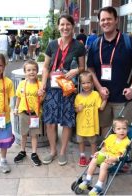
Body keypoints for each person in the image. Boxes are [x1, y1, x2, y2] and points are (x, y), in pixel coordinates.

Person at [87, 6, 132, 135]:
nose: (105, 22)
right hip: (103, 99)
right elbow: (90, 69)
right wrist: (99, 88)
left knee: (122, 135)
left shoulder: (129, 41)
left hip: (124, 98)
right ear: (99, 22)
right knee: (105, 133)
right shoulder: (95, 44)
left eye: (109, 19)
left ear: (116, 20)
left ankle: (123, 156)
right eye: (103, 20)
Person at [38, 14, 85, 166]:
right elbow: (45, 66)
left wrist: (76, 71)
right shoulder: (52, 45)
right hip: (52, 89)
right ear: (58, 27)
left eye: (68, 24)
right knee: (50, 122)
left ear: (73, 26)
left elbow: (83, 66)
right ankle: (53, 151)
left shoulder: (78, 46)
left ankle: (63, 151)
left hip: (67, 89)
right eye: (62, 24)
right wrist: (43, 84)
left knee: (66, 121)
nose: (65, 27)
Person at [78, 117, 130, 195]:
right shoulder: (111, 137)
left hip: (114, 160)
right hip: (105, 155)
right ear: (114, 130)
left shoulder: (126, 142)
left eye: (124, 128)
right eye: (119, 129)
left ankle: (99, 186)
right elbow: (104, 148)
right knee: (94, 159)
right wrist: (99, 153)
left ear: (127, 130)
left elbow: (121, 156)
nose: (121, 131)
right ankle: (88, 180)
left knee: (103, 165)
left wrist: (113, 159)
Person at [13, 60, 43, 166]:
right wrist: (16, 108)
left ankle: (34, 153)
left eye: (34, 70)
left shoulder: (40, 84)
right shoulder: (22, 84)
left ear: (37, 72)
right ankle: (22, 151)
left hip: (34, 114)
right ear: (25, 72)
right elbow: (18, 98)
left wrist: (42, 94)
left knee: (34, 135)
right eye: (28, 70)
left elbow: (43, 99)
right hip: (23, 113)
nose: (31, 72)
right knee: (24, 134)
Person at [75, 71, 107, 167]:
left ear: (92, 83)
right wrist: (77, 109)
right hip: (81, 124)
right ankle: (82, 156)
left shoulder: (96, 95)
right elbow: (75, 109)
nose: (86, 85)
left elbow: (101, 108)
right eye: (83, 83)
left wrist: (105, 99)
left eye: (88, 82)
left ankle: (93, 157)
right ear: (80, 84)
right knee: (80, 141)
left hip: (92, 125)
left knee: (93, 142)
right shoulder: (78, 96)